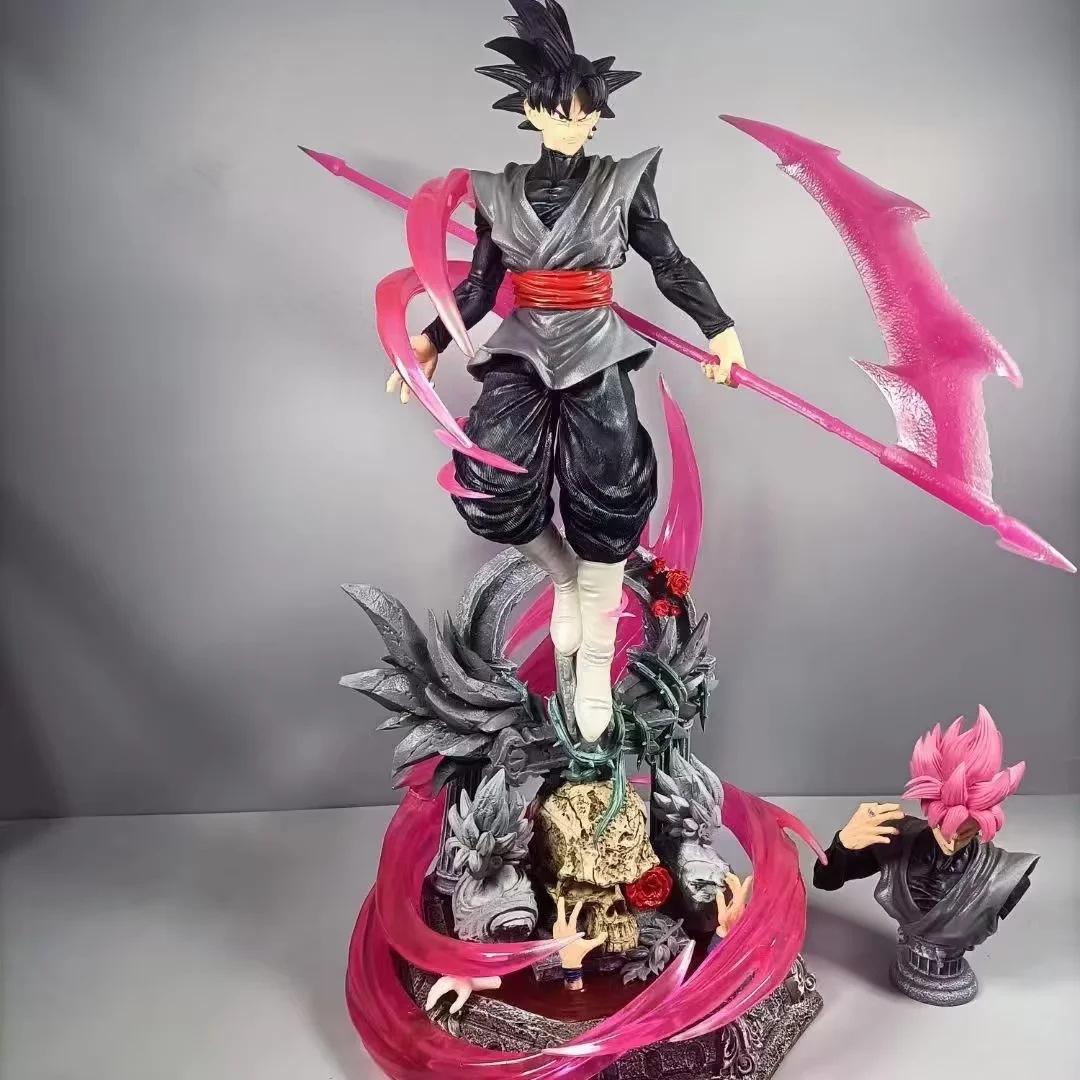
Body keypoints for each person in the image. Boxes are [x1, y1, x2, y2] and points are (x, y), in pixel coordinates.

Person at [387, 0, 745, 743]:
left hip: (596, 342)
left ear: (597, 117)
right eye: (559, 113)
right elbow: (480, 288)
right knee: (487, 480)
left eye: (585, 115)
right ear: (531, 111)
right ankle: (562, 574)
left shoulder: (624, 181)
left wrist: (720, 330)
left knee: (611, 492)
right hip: (523, 343)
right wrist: (431, 339)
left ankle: (597, 662)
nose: (573, 126)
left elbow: (669, 261)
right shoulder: (497, 191)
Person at [812, 706, 1038, 1005]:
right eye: (945, 826)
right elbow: (825, 881)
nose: (953, 839)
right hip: (908, 962)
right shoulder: (895, 837)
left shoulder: (1006, 874)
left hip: (951, 972)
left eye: (966, 831)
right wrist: (843, 844)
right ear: (929, 807)